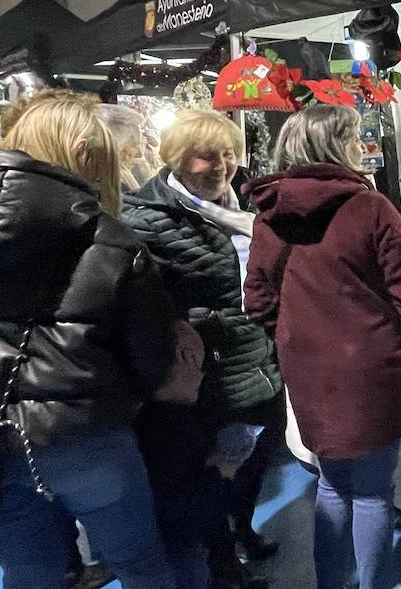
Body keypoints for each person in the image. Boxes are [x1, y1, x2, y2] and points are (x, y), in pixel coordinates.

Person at [0, 96, 182, 588]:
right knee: (140, 562)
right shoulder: (108, 239)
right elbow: (152, 358)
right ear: (82, 153)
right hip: (86, 439)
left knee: (30, 573)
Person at [246, 104, 401, 589]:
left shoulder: (269, 213)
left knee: (333, 486)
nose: (362, 148)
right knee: (373, 493)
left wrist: (296, 338)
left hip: (310, 373)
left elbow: (257, 300)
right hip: (373, 370)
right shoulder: (369, 206)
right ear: (335, 146)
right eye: (355, 139)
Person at [120, 109, 283, 589]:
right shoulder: (145, 219)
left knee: (255, 460)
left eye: (229, 153)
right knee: (212, 476)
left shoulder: (246, 207)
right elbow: (146, 306)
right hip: (204, 373)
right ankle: (223, 568)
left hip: (260, 359)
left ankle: (244, 531)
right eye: (205, 156)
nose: (222, 165)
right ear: (174, 158)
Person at [95, 103, 155, 191]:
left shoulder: (124, 174)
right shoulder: (110, 183)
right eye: (134, 145)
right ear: (117, 145)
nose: (138, 153)